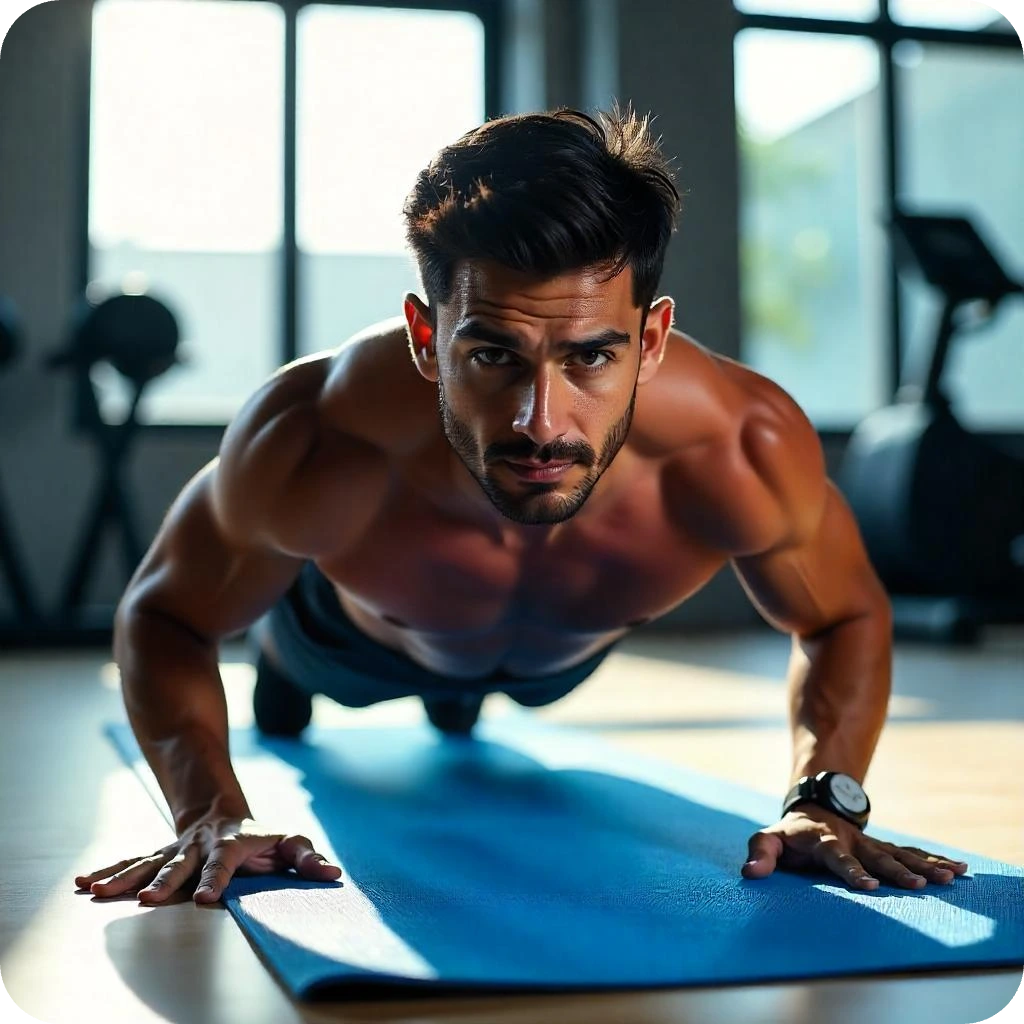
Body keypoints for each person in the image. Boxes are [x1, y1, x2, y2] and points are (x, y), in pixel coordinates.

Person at [75, 107, 968, 908]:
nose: (541, 422)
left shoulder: (741, 446)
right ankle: (290, 665)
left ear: (650, 340)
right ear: (429, 338)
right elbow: (165, 615)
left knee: (478, 704)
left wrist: (824, 797)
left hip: (553, 663)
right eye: (494, 356)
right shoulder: (316, 435)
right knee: (294, 678)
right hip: (351, 642)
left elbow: (845, 611)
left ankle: (459, 703)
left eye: (589, 358)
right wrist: (210, 812)